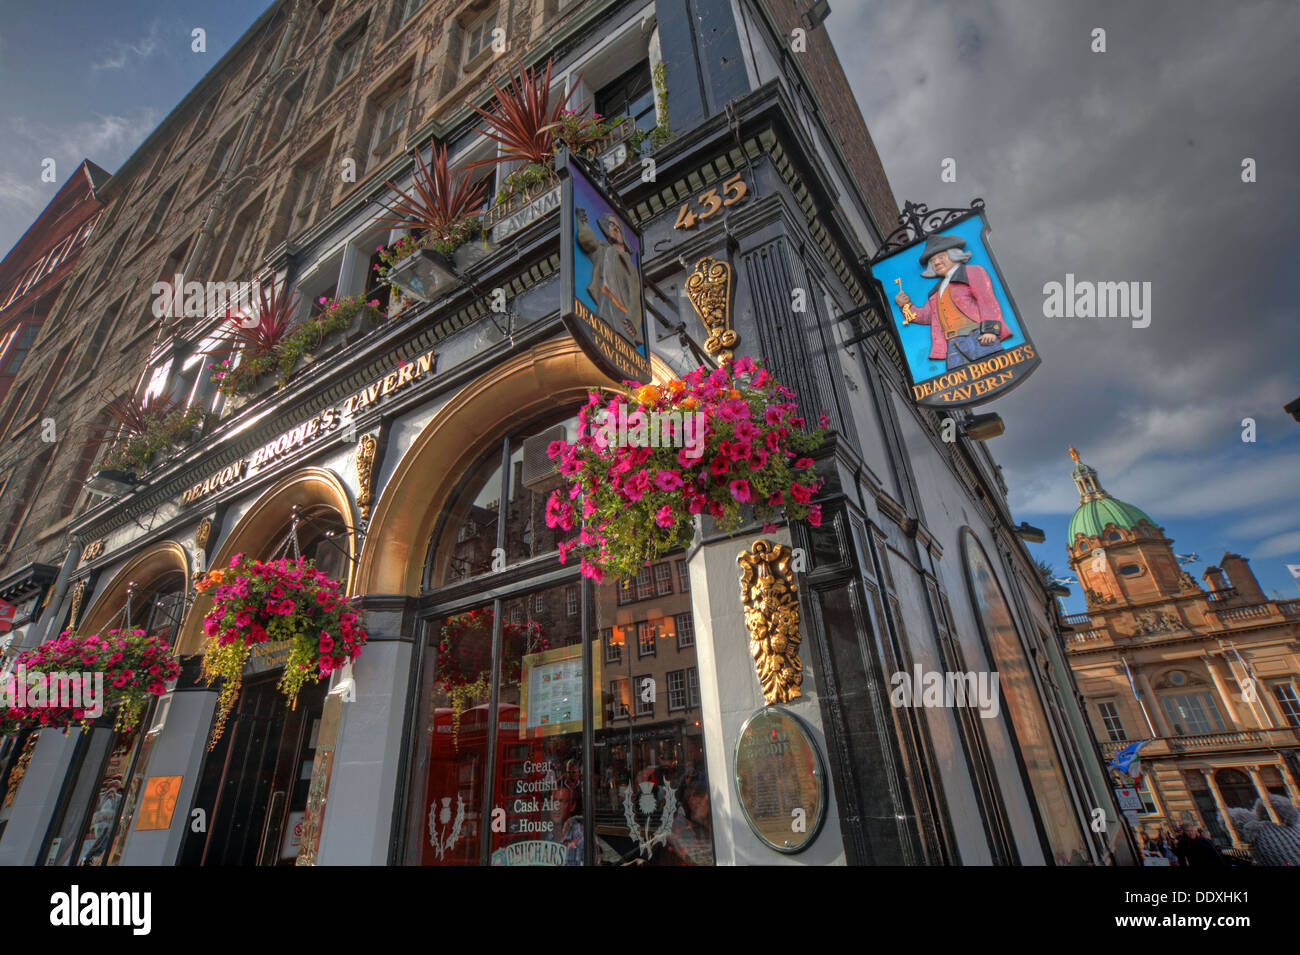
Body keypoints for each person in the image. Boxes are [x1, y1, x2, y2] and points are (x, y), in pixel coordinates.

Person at [893, 234, 1012, 371]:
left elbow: (987, 301)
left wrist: (990, 331)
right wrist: (905, 306)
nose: (936, 263)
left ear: (954, 255)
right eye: (932, 261)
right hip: (952, 344)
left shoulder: (972, 272)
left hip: (978, 337)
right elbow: (925, 316)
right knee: (963, 386)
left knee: (996, 372)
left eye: (940, 257)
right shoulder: (936, 292)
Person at [576, 206, 644, 347]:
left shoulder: (630, 266)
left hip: (624, 319)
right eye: (610, 225)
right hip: (605, 310)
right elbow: (589, 242)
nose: (613, 228)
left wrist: (633, 320)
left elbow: (635, 293)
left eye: (616, 225)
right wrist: (582, 223)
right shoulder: (603, 250)